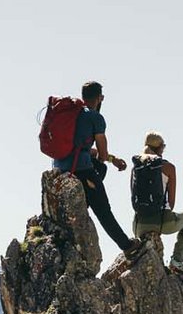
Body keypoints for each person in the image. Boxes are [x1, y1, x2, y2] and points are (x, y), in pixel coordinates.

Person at [52, 81, 143, 259]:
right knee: (103, 209)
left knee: (100, 168)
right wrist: (108, 158)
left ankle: (82, 203)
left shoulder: (71, 114)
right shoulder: (95, 117)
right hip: (81, 171)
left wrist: (112, 160)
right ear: (99, 97)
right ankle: (127, 245)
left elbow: (82, 147)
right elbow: (101, 154)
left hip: (59, 169)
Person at [129, 131, 183, 275]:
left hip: (138, 225)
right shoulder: (169, 168)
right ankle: (177, 260)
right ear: (160, 148)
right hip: (162, 222)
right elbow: (171, 203)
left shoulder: (136, 168)